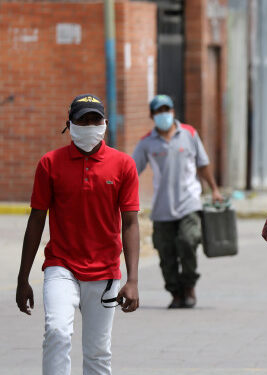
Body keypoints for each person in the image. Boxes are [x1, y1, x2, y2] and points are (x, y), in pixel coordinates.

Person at [16, 94, 141, 375]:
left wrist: (132, 279)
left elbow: (130, 223)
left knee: (98, 351)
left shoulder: (123, 165)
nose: (88, 125)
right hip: (61, 266)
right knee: (57, 331)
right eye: (81, 120)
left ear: (105, 124)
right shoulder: (50, 163)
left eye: (94, 119)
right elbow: (36, 219)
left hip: (105, 271)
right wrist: (23, 278)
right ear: (69, 124)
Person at [132, 95, 223, 309]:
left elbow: (203, 164)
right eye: (159, 110)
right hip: (162, 207)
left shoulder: (189, 134)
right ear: (152, 115)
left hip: (189, 202)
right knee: (166, 253)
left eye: (167, 109)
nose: (164, 114)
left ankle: (189, 285)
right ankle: (175, 292)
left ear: (173, 111)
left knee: (188, 241)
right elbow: (132, 170)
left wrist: (215, 189)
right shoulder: (147, 142)